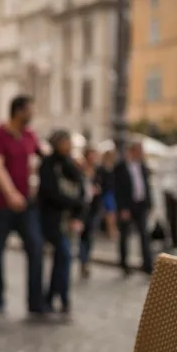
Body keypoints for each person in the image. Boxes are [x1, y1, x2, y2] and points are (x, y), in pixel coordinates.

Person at [0, 95, 46, 316]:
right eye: (30, 110)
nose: (33, 114)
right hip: (0, 204)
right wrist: (11, 193)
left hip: (26, 205)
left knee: (36, 247)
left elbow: (44, 156)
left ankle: (36, 302)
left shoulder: (30, 135)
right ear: (18, 111)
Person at [38, 130, 86, 316]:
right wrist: (73, 203)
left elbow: (80, 186)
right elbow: (51, 193)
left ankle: (54, 296)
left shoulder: (68, 164)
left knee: (62, 258)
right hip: (53, 220)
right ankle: (59, 297)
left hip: (66, 220)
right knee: (63, 255)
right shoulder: (49, 164)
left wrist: (77, 211)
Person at [114, 142, 154, 276]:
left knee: (144, 234)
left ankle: (147, 264)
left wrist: (149, 202)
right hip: (127, 206)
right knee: (125, 235)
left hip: (140, 204)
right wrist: (123, 208)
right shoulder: (120, 167)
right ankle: (124, 264)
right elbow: (117, 189)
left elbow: (145, 185)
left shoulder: (142, 166)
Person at [78, 148, 102, 279]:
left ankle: (86, 259)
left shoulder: (98, 171)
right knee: (83, 235)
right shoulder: (80, 169)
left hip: (94, 207)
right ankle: (83, 260)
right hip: (82, 208)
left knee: (90, 235)